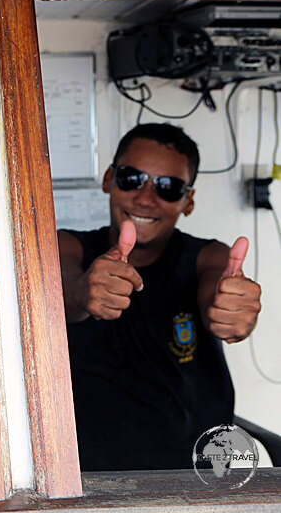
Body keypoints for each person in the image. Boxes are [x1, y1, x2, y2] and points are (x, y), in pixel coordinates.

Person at [58, 123, 262, 472]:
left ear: (189, 201)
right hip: (89, 483)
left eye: (168, 187)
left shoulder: (208, 257)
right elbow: (60, 288)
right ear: (109, 179)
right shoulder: (68, 247)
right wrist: (83, 292)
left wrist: (230, 309)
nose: (146, 198)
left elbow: (217, 289)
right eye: (131, 178)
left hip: (194, 480)